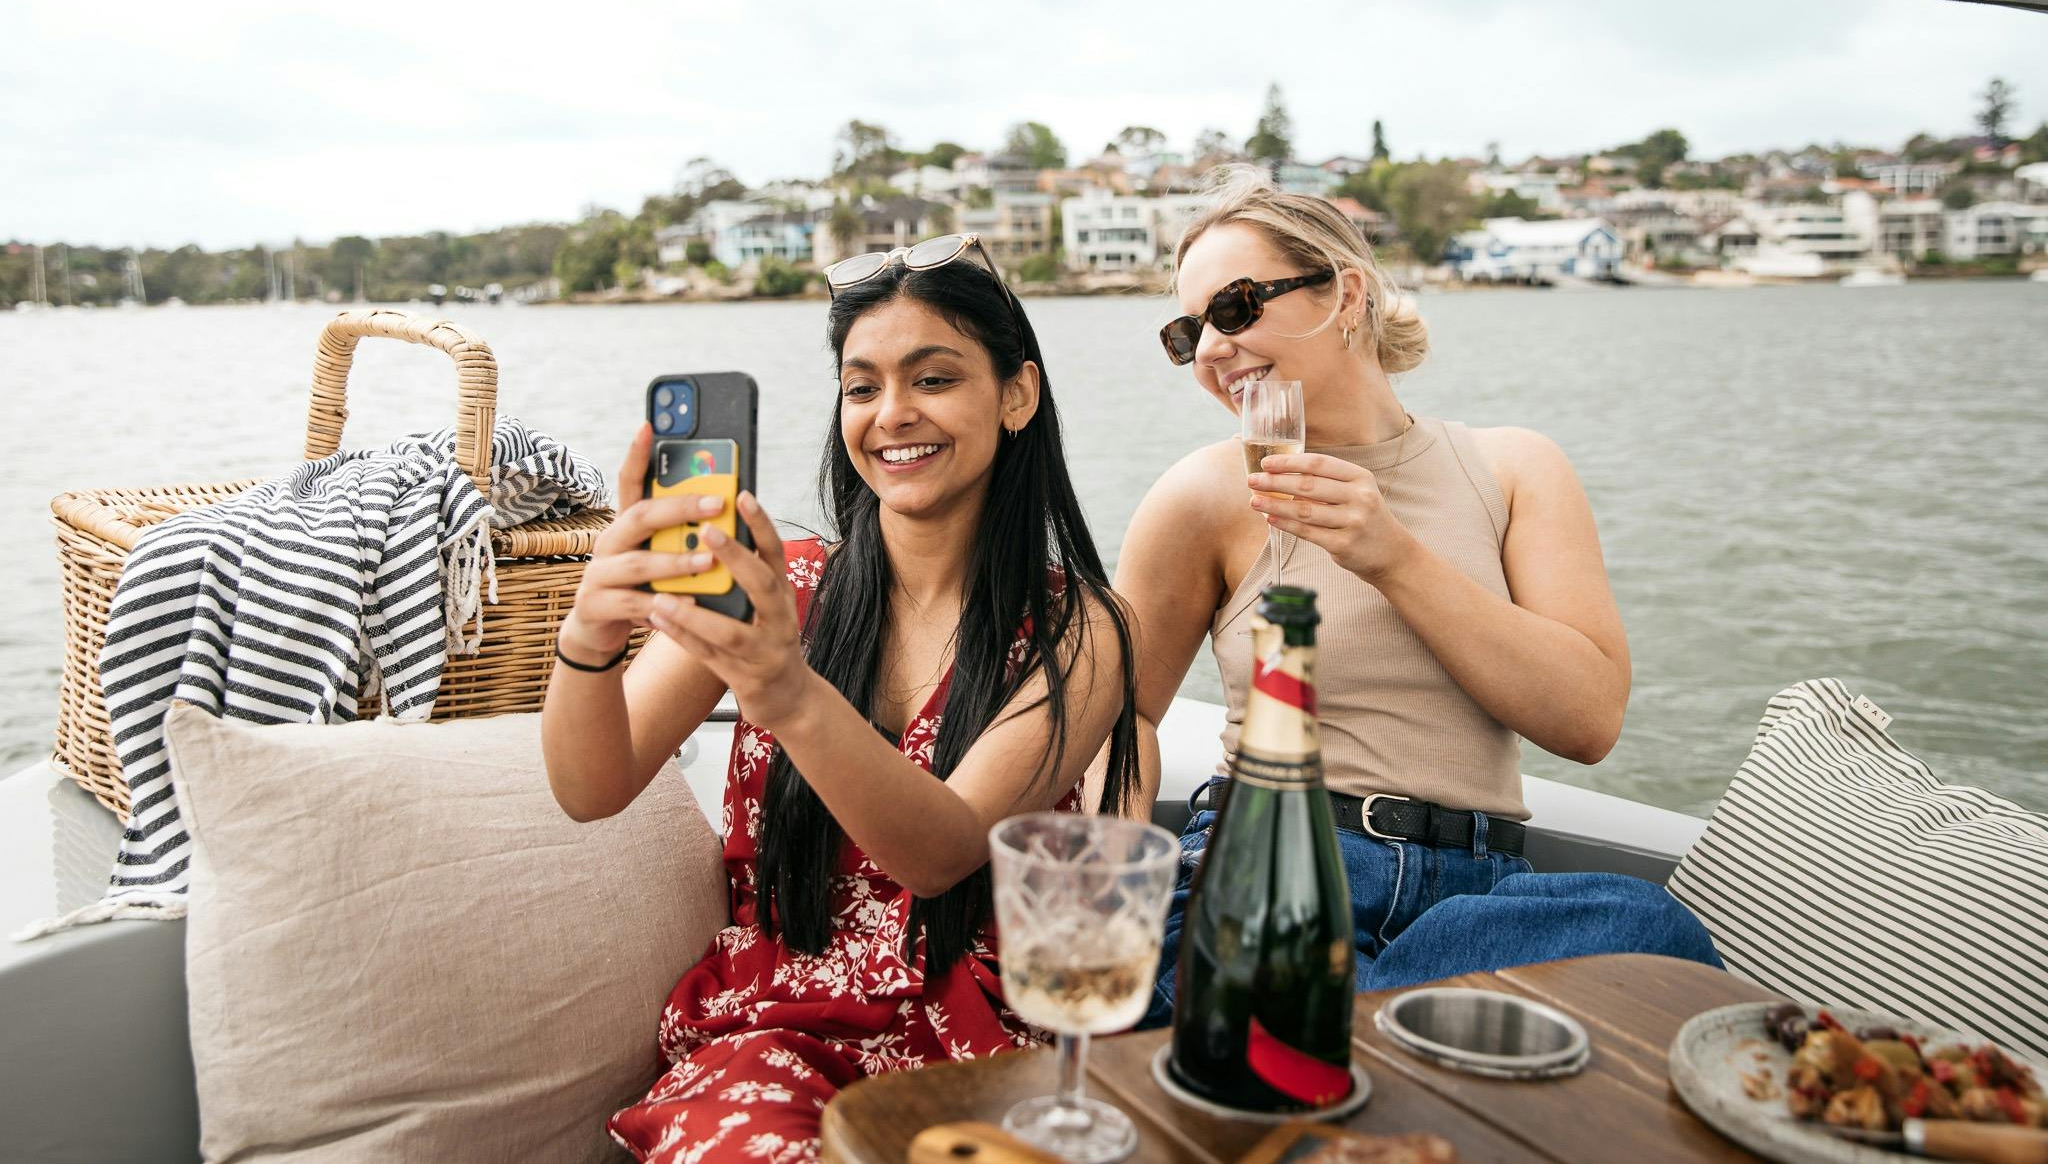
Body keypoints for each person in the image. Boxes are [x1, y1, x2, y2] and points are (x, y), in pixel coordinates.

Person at [541, 236, 1140, 1163]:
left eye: (933, 378)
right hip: (774, 1036)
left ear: (1016, 394)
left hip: (984, 1042)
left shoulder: (1080, 629)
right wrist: (587, 634)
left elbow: (940, 851)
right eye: (862, 387)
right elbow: (593, 782)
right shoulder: (784, 583)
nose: (892, 414)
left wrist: (784, 687)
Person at [1113, 166, 1718, 1024]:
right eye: (1189, 330)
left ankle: (1361, 1030)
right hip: (1274, 860)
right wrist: (1113, 879)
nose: (1211, 347)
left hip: (1479, 896)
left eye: (1237, 306)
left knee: (1648, 927)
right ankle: (1394, 1033)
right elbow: (1121, 717)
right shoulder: (1203, 496)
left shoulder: (1513, 469)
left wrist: (1392, 555)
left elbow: (1588, 722)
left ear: (1345, 292)